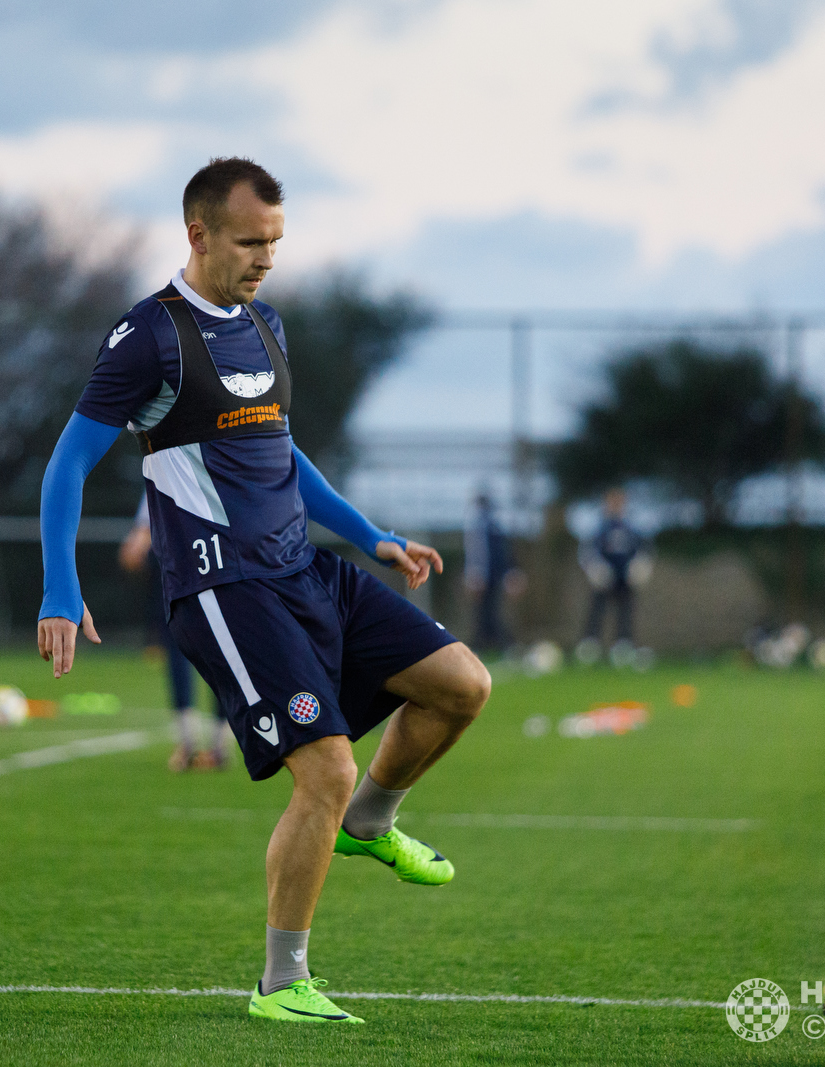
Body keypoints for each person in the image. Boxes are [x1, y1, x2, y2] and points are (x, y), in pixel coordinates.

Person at [38, 157, 490, 1025]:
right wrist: (62, 588)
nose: (266, 258)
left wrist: (373, 537)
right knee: (323, 766)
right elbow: (66, 464)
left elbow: (284, 454)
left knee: (462, 684)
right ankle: (282, 983)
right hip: (223, 588)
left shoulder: (267, 323)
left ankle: (372, 820)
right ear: (198, 234)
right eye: (250, 241)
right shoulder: (150, 338)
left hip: (304, 569)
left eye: (276, 243)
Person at [118, 496, 231, 771]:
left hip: (215, 565)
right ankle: (192, 743)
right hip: (181, 567)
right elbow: (144, 529)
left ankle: (214, 744)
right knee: (184, 650)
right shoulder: (163, 464)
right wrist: (139, 538)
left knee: (220, 654)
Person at [575, 487, 647, 666]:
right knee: (596, 611)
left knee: (625, 612)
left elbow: (644, 551)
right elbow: (587, 551)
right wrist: (595, 568)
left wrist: (639, 567)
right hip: (603, 578)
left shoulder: (632, 528)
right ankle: (591, 644)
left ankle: (623, 645)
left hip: (625, 579)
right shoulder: (599, 528)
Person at [463, 490, 513, 652]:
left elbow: (500, 554)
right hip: (482, 577)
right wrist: (475, 575)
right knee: (483, 613)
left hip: (492, 577)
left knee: (490, 612)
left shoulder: (492, 527)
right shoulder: (477, 527)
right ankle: (485, 645)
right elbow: (475, 554)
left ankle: (500, 645)